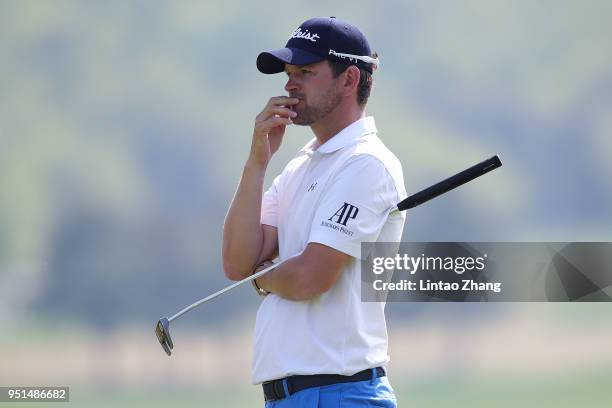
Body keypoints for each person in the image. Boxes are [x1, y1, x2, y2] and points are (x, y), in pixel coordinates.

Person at [222, 16, 406, 407]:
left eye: (305, 71)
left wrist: (260, 279)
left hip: (342, 393)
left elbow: (309, 277)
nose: (290, 84)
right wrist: (257, 162)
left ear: (349, 79)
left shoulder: (367, 163)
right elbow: (237, 262)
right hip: (292, 397)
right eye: (289, 73)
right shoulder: (298, 167)